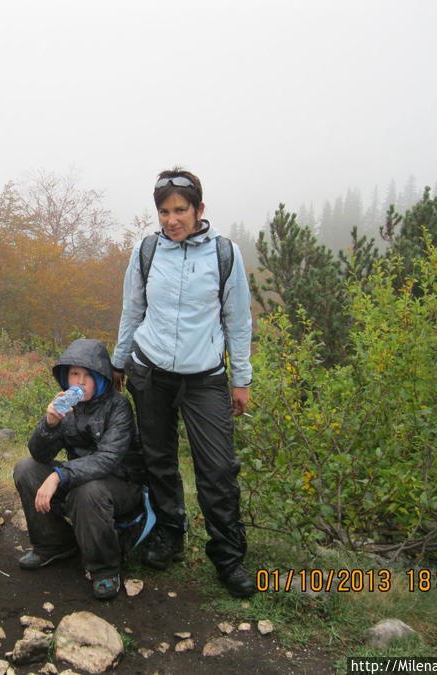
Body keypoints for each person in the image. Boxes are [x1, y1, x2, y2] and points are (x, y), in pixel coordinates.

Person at [111, 168, 256, 598]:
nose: (171, 219)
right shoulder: (147, 252)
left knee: (217, 469)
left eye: (180, 210)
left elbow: (238, 321)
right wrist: (119, 363)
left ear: (199, 210)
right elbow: (131, 312)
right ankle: (169, 536)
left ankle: (229, 558)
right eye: (163, 211)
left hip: (205, 378)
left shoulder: (224, 254)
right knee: (158, 460)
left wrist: (241, 379)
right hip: (149, 371)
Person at [13, 338, 145, 600]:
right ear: (66, 376)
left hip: (121, 485)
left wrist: (59, 475)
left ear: (101, 378)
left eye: (88, 375)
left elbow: (108, 458)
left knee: (87, 491)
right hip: (80, 478)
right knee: (26, 469)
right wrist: (50, 424)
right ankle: (54, 543)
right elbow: (39, 455)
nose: (80, 382)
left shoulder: (118, 406)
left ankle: (105, 567)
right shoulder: (67, 407)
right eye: (74, 374)